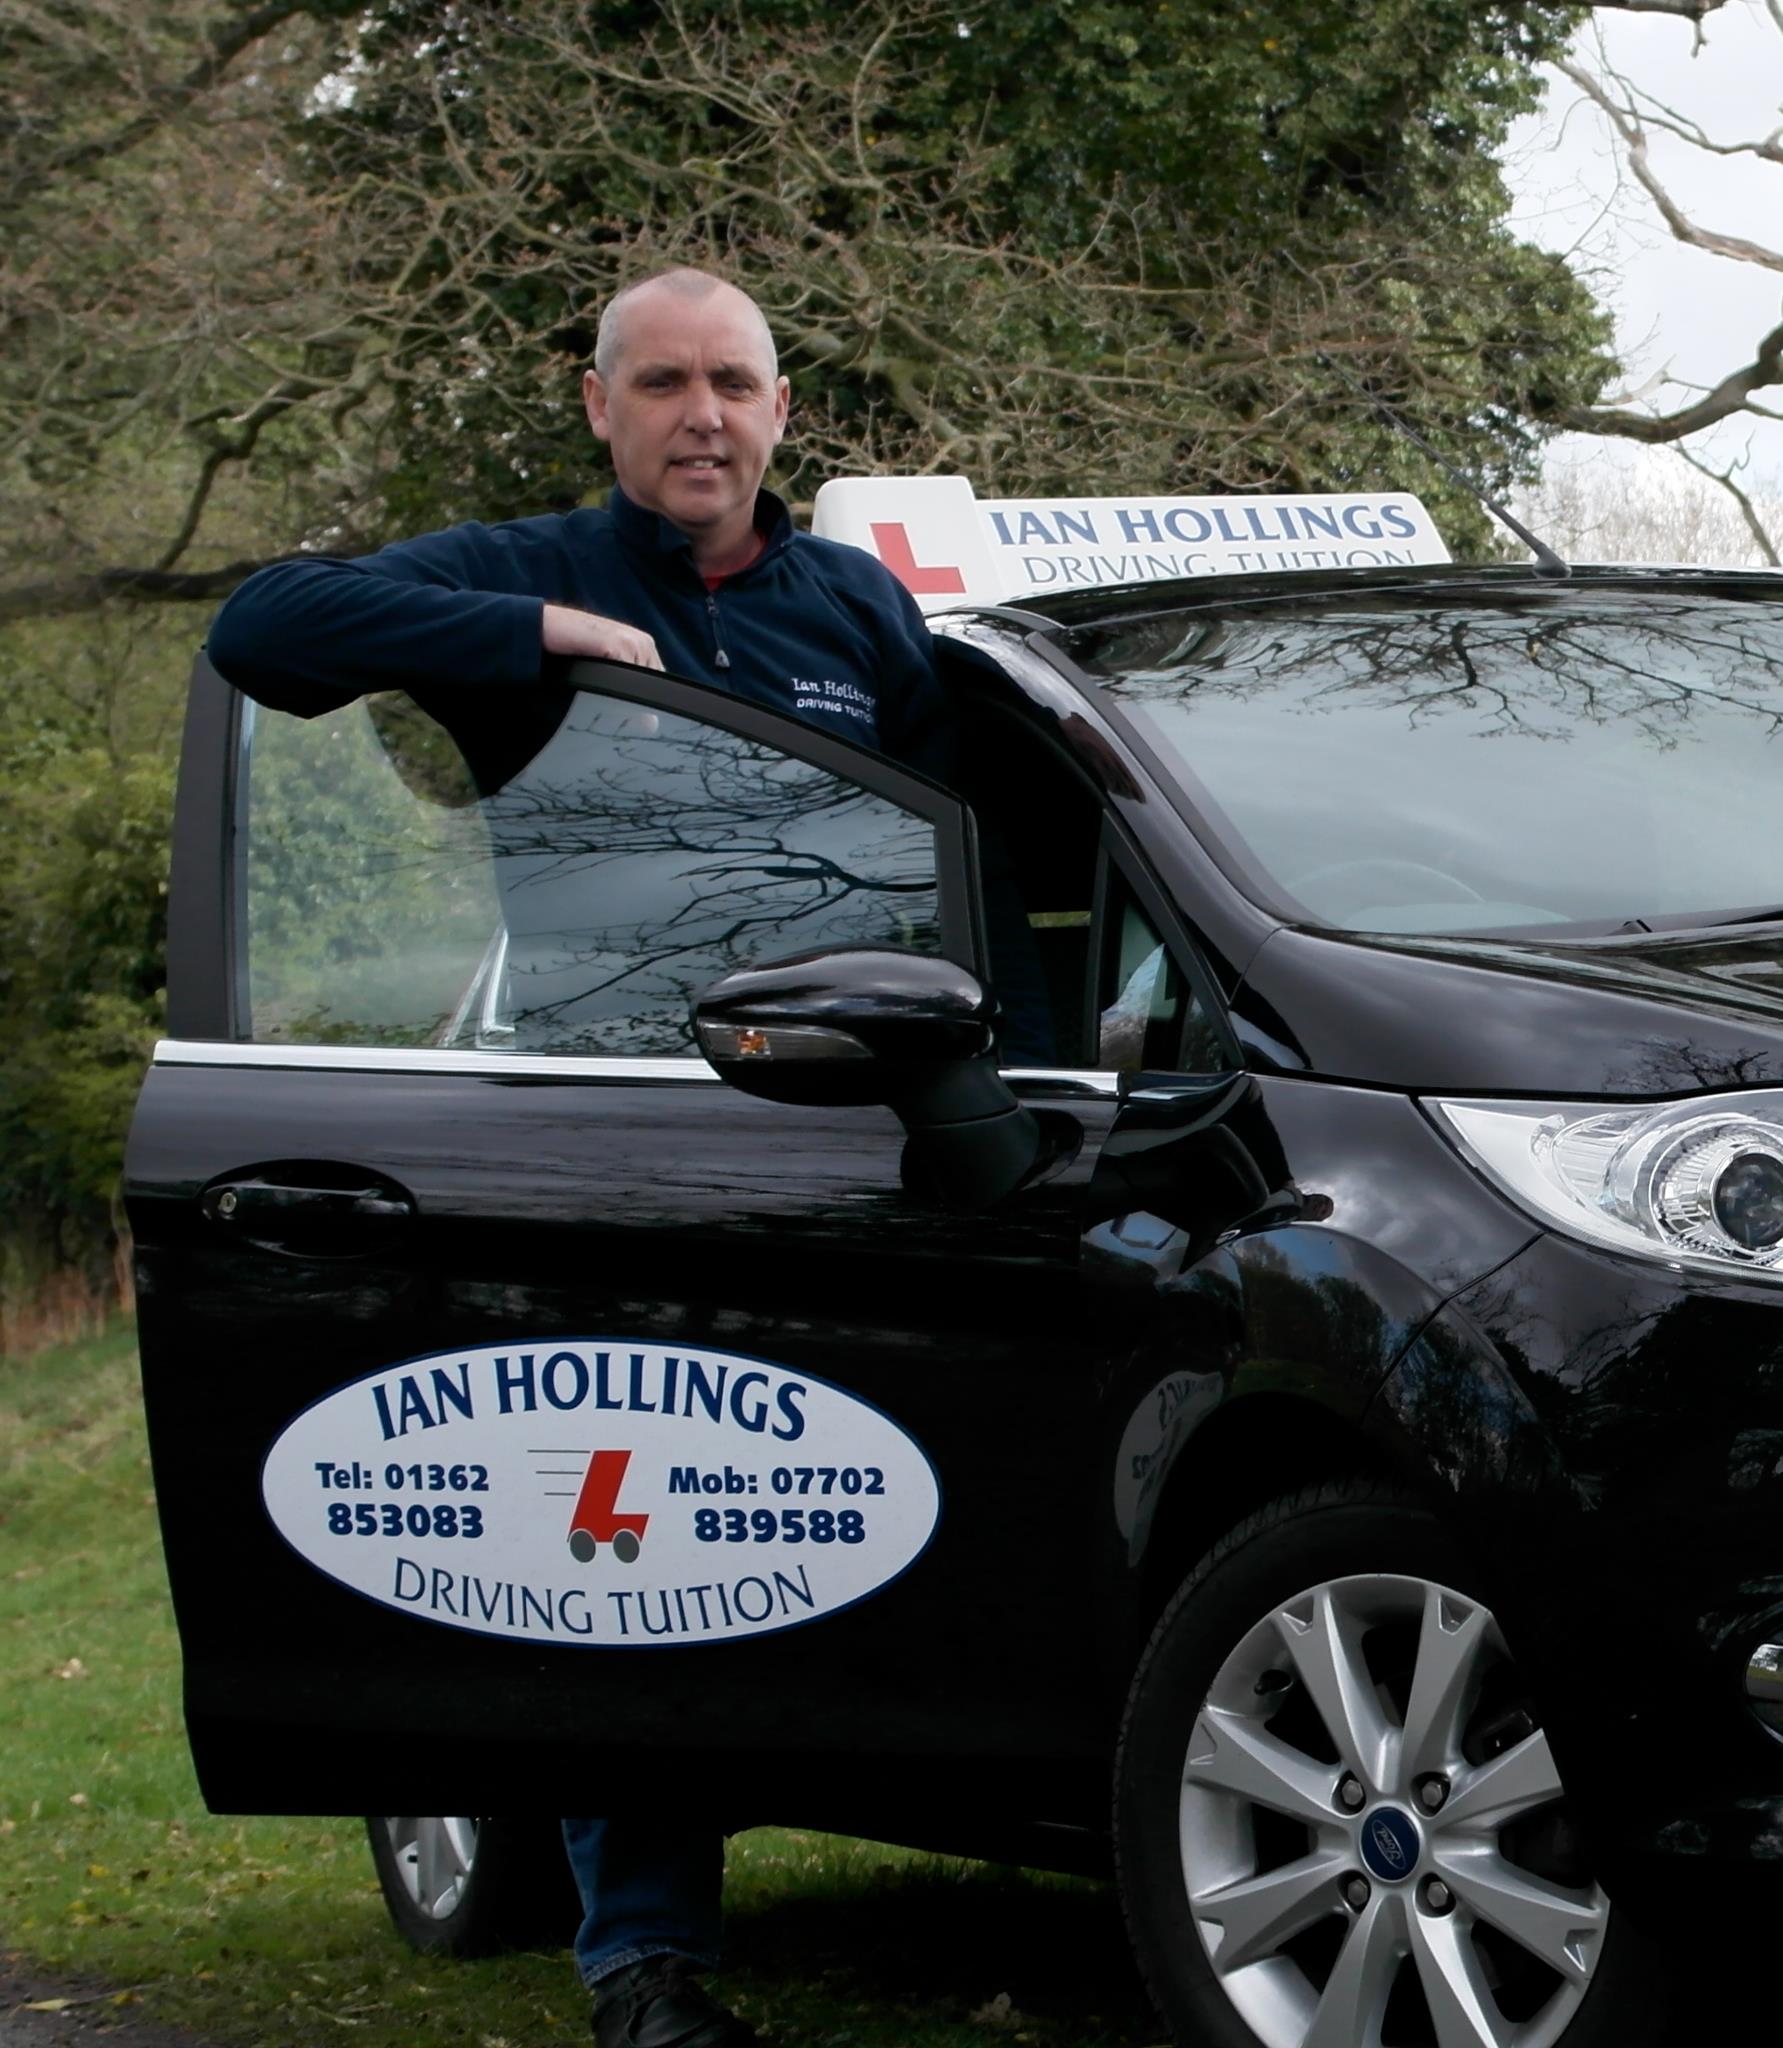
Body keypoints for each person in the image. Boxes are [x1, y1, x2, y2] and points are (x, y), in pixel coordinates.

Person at [208, 266, 1027, 2048]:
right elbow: (262, 628)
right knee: (627, 1534)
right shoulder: (525, 571)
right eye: (661, 383)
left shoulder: (856, 608)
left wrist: (1000, 1083)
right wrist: (545, 642)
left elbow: (961, 852)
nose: (701, 416)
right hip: (622, 1134)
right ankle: (644, 1966)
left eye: (733, 382)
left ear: (783, 411)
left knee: (835, 1517)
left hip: (848, 1123)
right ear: (600, 406)